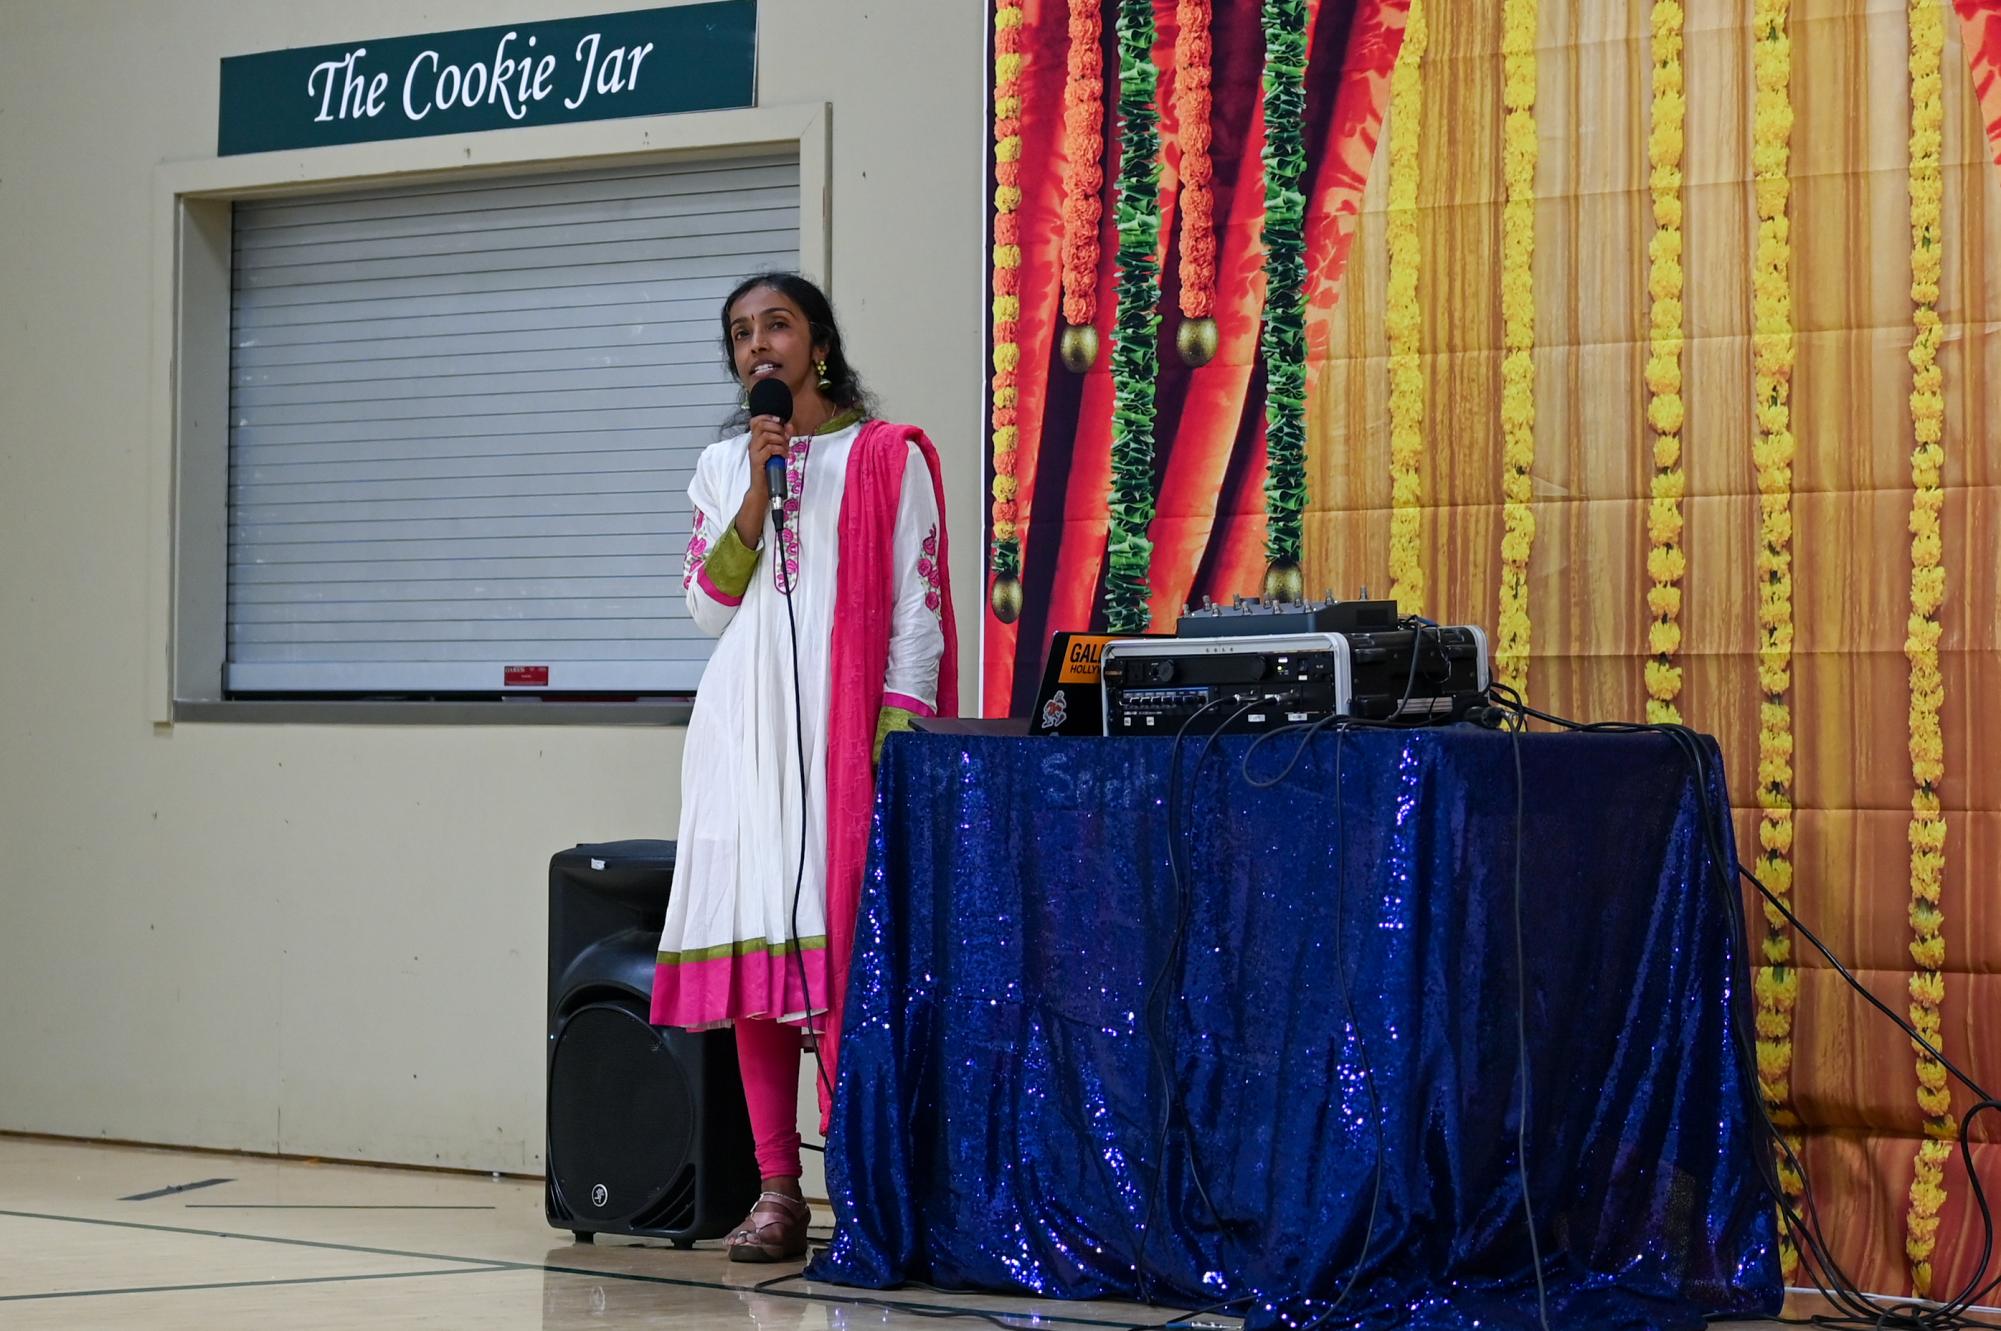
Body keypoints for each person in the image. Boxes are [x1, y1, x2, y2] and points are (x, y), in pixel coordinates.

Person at [649, 273, 958, 1262]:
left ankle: (862, 1189)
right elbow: (707, 606)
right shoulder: (719, 465)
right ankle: (778, 1191)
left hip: (843, 736)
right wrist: (752, 492)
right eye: (741, 333)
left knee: (841, 963)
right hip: (744, 735)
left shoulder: (883, 456)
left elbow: (918, 619)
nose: (757, 345)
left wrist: (892, 747)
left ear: (816, 340)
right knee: (756, 957)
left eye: (775, 323)